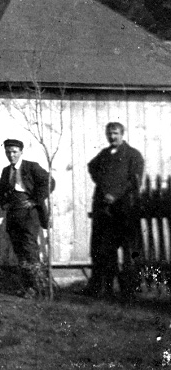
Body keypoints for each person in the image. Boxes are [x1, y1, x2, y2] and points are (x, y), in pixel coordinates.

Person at [85, 122, 144, 299]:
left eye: (116, 133)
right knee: (103, 249)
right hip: (104, 209)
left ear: (122, 134)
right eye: (109, 133)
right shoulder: (104, 154)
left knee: (128, 250)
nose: (112, 137)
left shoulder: (133, 155)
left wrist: (115, 194)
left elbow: (134, 181)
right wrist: (103, 188)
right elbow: (92, 167)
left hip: (124, 209)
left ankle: (129, 290)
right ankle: (104, 288)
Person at [0, 138, 52, 298]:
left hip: (29, 214)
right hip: (13, 214)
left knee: (29, 248)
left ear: (21, 152)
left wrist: (35, 200)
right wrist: (4, 203)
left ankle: (38, 287)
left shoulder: (31, 167)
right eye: (8, 152)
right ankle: (28, 286)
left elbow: (49, 182)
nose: (11, 155)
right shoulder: (6, 171)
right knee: (19, 250)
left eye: (14, 152)